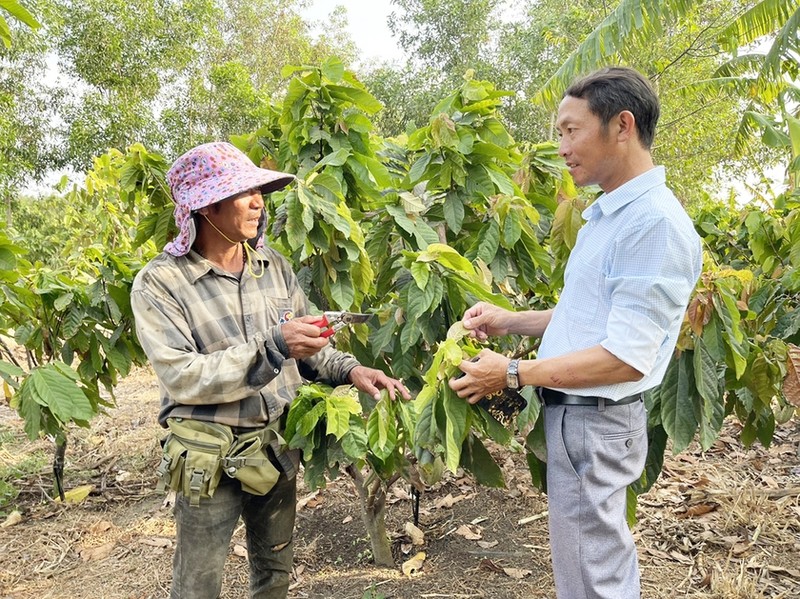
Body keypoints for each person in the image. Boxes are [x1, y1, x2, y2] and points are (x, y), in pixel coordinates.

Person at [449, 67, 702, 599]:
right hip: (578, 420)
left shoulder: (652, 223)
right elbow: (587, 319)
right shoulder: (610, 216)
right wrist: (508, 320)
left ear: (622, 126)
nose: (560, 147)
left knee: (595, 580)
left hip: (595, 421)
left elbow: (625, 358)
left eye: (570, 130)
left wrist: (513, 372)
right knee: (585, 571)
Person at [131, 141, 409, 599]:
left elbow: (307, 347)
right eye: (244, 193)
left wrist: (352, 370)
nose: (259, 202)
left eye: (260, 191)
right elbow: (183, 376)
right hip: (210, 458)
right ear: (206, 206)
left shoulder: (272, 267)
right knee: (198, 583)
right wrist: (274, 345)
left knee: (275, 570)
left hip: (277, 448)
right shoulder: (161, 283)